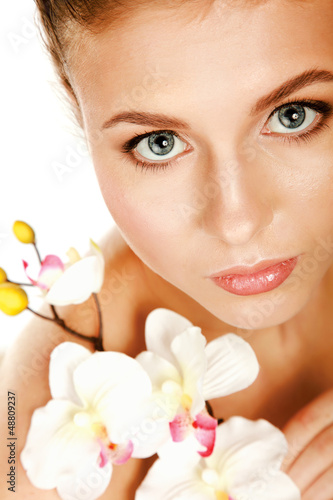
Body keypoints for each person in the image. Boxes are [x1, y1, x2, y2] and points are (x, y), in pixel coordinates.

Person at [1, 0, 333, 498]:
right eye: (159, 142)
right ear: (76, 103)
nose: (238, 222)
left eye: (293, 116)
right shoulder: (31, 457)